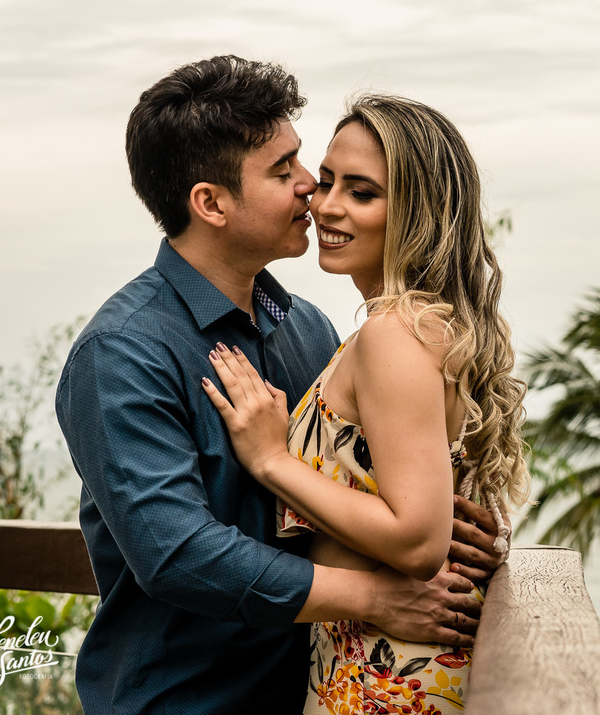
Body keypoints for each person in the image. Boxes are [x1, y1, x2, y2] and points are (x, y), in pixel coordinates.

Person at [55, 57, 505, 715]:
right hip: (186, 701)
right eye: (287, 170)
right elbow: (177, 552)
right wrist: (373, 597)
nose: (310, 191)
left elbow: (368, 496)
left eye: (309, 167)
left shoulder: (310, 332)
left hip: (311, 689)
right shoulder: (123, 351)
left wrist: (458, 520)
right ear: (210, 202)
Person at [202, 94, 528, 714]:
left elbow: (417, 542)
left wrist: (273, 461)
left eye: (362, 192)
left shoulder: (393, 334)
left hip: (386, 678)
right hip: (378, 664)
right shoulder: (411, 328)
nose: (325, 205)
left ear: (417, 213)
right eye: (326, 182)